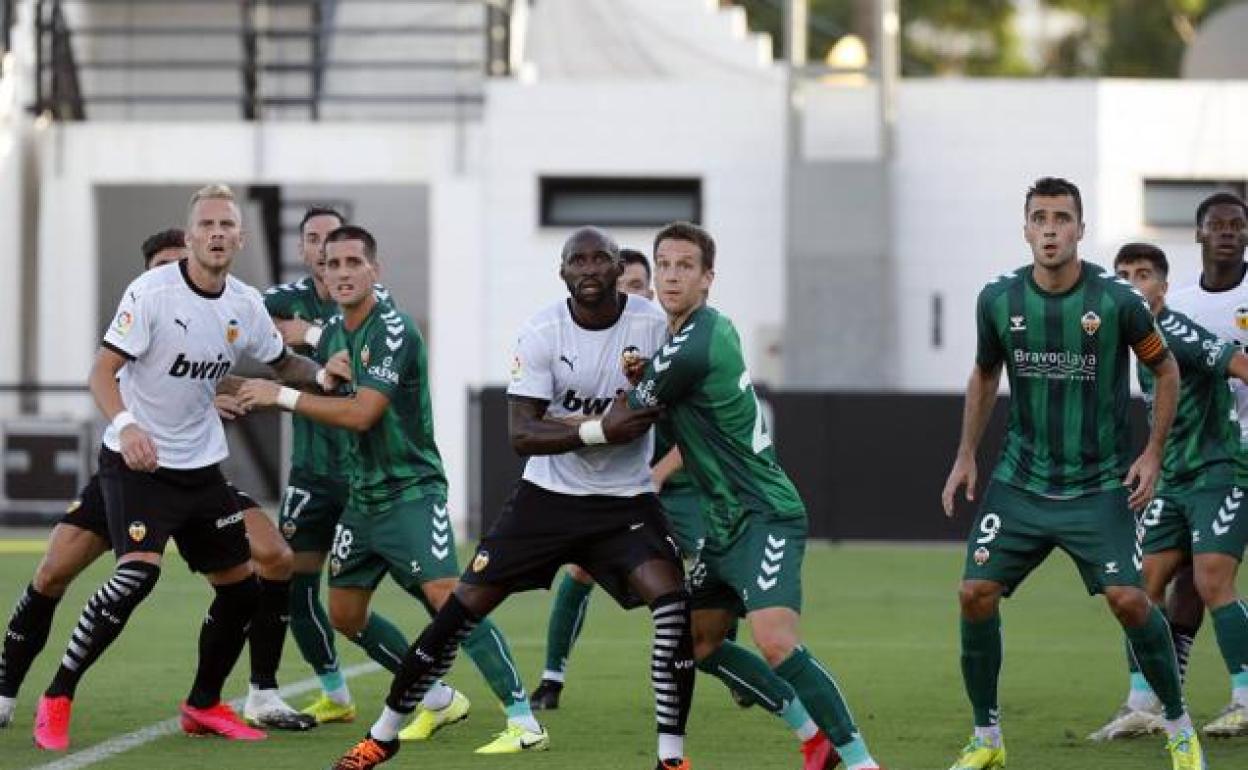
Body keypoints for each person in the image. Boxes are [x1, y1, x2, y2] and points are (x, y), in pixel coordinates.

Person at [318, 226, 695, 770]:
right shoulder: (542, 330)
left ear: (619, 269)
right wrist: (601, 428)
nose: (590, 268)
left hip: (625, 502)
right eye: (578, 260)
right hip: (547, 498)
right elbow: (522, 433)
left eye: (601, 259)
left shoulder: (654, 327)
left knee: (674, 606)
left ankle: (671, 758)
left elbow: (682, 406)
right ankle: (383, 736)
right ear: (562, 272)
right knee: (457, 611)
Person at [28, 185, 336, 751]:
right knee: (136, 576)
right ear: (191, 236)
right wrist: (128, 427)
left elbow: (281, 362)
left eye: (227, 225)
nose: (217, 233)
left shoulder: (244, 303)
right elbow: (101, 372)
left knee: (241, 590)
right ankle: (57, 695)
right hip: (138, 463)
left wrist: (323, 375)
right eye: (207, 224)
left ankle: (203, 705)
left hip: (200, 467)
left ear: (240, 238)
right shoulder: (151, 292)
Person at [238, 225, 541, 754]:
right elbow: (332, 379)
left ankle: (524, 721)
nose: (342, 272)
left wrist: (279, 395)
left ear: (374, 270)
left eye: (353, 262)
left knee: (450, 600)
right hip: (362, 500)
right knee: (345, 614)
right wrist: (317, 378)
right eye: (333, 264)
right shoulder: (336, 332)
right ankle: (436, 697)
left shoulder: (394, 329)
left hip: (410, 492)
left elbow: (363, 413)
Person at [940, 177, 1203, 770]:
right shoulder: (998, 298)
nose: (1051, 229)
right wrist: (965, 454)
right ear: (1026, 229)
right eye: (1040, 218)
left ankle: (1178, 726)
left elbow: (1166, 370)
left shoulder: (1117, 300)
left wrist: (1152, 453)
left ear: (1081, 229)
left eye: (1062, 218)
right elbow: (985, 373)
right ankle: (986, 739)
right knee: (973, 593)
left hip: (1098, 485)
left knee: (1130, 600)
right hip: (1020, 482)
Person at [612, 221, 881, 770]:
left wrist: (559, 426)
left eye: (685, 266)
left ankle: (862, 762)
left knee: (775, 640)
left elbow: (628, 415)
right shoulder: (684, 337)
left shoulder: (697, 341)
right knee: (698, 642)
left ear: (708, 278)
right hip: (723, 525)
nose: (671, 276)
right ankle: (815, 740)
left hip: (765, 513)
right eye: (664, 265)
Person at [1094, 192, 1248, 741]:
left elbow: (1236, 362)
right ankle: (1144, 703)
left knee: (1211, 579)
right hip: (1174, 477)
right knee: (1140, 588)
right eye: (1123, 277)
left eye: (1142, 276)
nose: (1132, 285)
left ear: (1161, 285)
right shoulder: (1137, 334)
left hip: (1220, 470)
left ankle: (1245, 698)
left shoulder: (1178, 329)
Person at [261, 206, 362, 723]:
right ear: (303, 249)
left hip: (366, 474)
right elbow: (237, 318)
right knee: (294, 587)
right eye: (313, 238)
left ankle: (436, 689)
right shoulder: (282, 300)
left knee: (410, 589)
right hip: (310, 474)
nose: (323, 247)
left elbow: (365, 357)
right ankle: (335, 693)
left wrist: (312, 334)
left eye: (331, 237)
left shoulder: (370, 300)